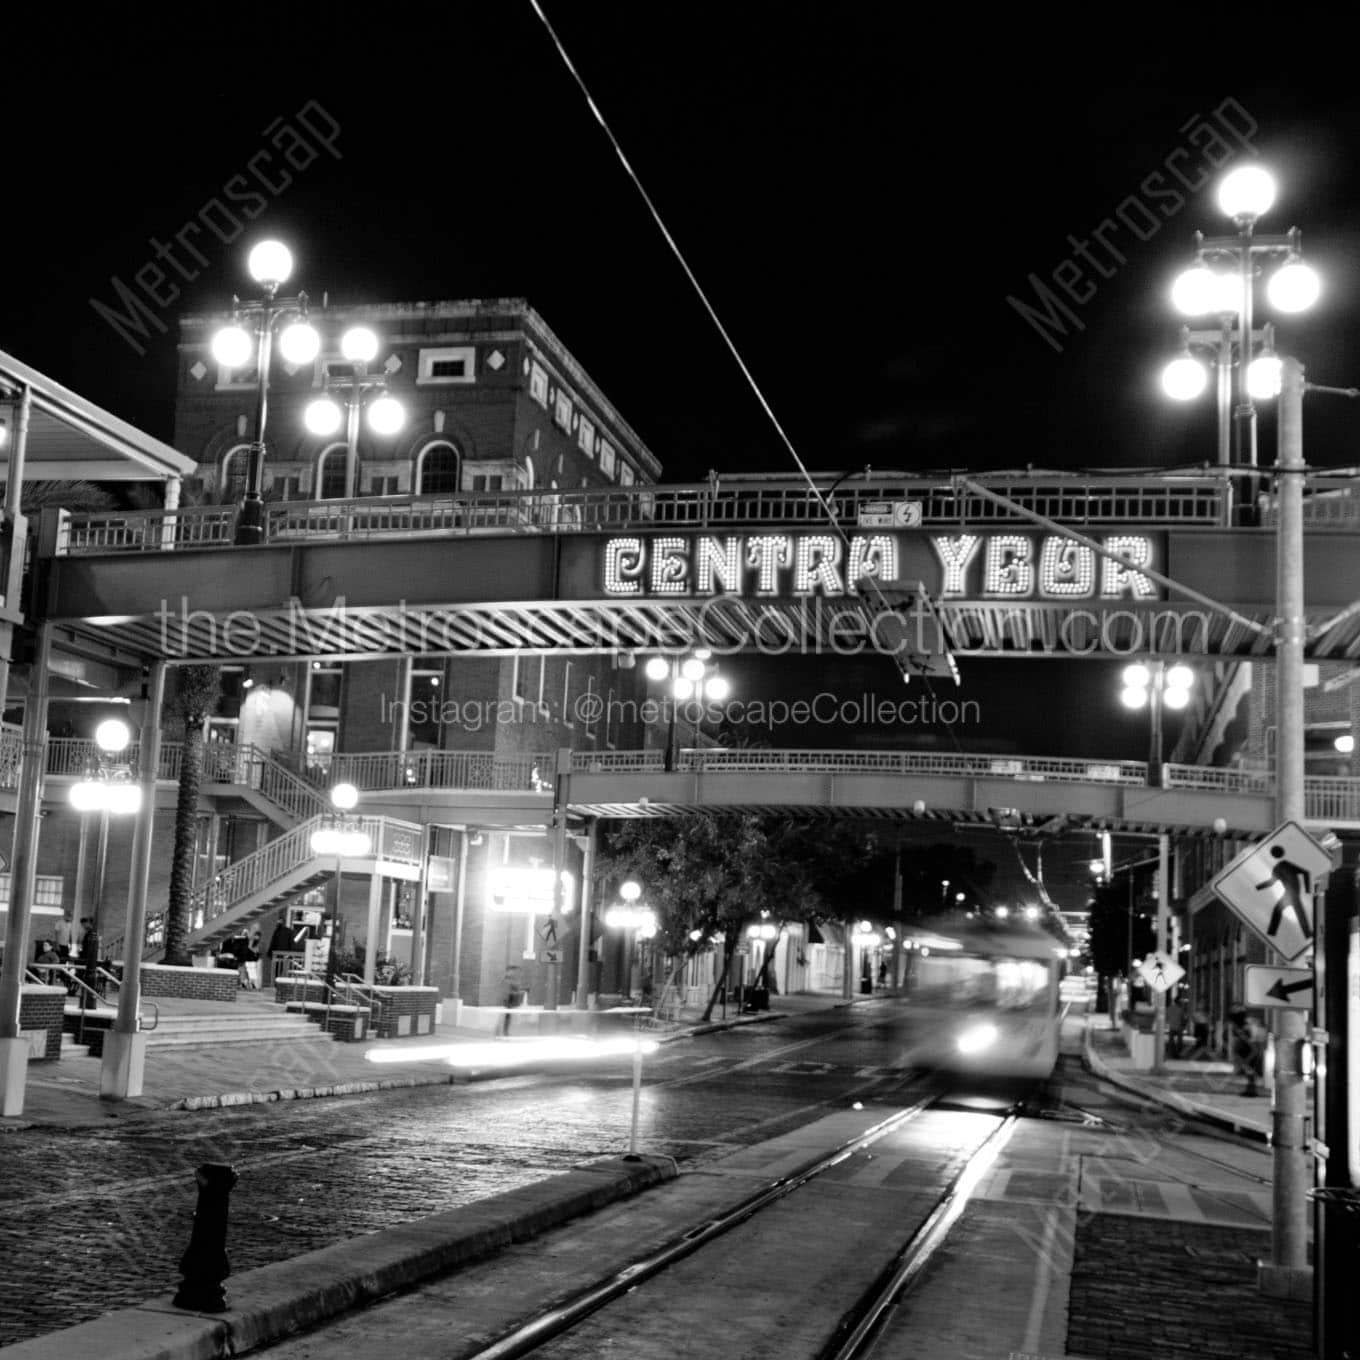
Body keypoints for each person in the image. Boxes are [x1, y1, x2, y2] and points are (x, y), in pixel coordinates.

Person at [1230, 1007, 1262, 1096]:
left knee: (1249, 1070)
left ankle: (1251, 1090)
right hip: (1248, 1050)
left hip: (1247, 1050)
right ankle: (1251, 1089)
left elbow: (1246, 1038)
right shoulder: (1247, 1024)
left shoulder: (1245, 1026)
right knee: (1249, 1071)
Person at [498, 965, 523, 1036]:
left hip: (510, 1000)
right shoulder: (507, 980)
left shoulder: (510, 979)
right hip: (508, 1000)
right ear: (509, 971)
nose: (515, 973)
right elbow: (507, 991)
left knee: (507, 1017)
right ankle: (504, 1032)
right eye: (513, 971)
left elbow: (514, 989)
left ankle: (503, 1032)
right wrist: (518, 992)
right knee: (506, 1017)